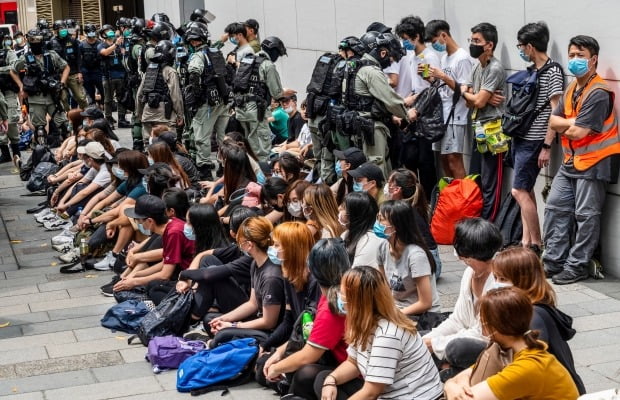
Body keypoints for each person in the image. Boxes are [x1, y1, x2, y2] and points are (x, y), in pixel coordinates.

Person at [545, 35, 620, 285]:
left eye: (581, 56)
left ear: (593, 60)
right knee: (555, 207)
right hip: (571, 162)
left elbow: (578, 132)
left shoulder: (599, 92)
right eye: (572, 55)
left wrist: (566, 124)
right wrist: (569, 122)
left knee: (586, 216)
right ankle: (553, 262)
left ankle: (576, 266)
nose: (575, 60)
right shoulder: (571, 88)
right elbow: (552, 122)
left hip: (595, 162)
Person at [316, 266, 443, 400]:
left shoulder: (388, 334)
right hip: (384, 392)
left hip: (413, 396)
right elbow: (353, 362)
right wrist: (331, 380)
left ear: (357, 302)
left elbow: (371, 392)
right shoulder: (362, 323)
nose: (340, 299)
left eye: (343, 295)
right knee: (322, 380)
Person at [444, 287, 579, 400]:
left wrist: (449, 384)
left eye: (482, 322)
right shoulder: (518, 349)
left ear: (495, 327)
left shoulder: (527, 368)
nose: (481, 328)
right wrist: (454, 383)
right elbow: (469, 372)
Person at [263, 238, 350, 400]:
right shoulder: (338, 293)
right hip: (350, 362)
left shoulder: (333, 305)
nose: (273, 248)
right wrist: (280, 353)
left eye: (276, 244)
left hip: (354, 367)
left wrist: (276, 368)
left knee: (306, 374)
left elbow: (308, 355)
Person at [492, 247, 586, 394]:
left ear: (522, 280)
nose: (497, 284)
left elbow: (529, 366)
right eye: (495, 278)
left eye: (503, 279)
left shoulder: (533, 317)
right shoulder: (530, 309)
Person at [508, 22, 565, 255]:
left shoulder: (553, 71)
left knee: (518, 191)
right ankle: (526, 241)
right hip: (521, 137)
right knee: (526, 190)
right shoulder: (533, 70)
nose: (520, 50)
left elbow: (556, 111)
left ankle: (536, 245)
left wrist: (546, 146)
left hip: (534, 141)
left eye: (521, 46)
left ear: (530, 46)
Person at [423, 217, 503, 381]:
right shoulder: (470, 273)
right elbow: (458, 319)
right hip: (469, 335)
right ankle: (447, 368)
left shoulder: (498, 283)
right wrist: (428, 340)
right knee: (421, 339)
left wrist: (436, 344)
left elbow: (484, 334)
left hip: (494, 346)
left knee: (455, 348)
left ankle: (450, 369)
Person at [209, 217, 286, 346]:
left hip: (270, 333)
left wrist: (233, 325)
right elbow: (252, 303)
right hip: (259, 320)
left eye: (240, 242)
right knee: (211, 320)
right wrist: (224, 318)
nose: (240, 246)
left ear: (249, 245)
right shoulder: (255, 264)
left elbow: (269, 322)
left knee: (221, 336)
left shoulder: (271, 277)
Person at [341, 31, 408, 176]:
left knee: (363, 169)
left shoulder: (352, 66)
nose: (391, 63)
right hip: (372, 128)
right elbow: (391, 100)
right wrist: (407, 115)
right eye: (391, 58)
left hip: (356, 125)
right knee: (375, 169)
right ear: (383, 53)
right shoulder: (372, 71)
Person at [461, 22, 507, 221]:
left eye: (477, 41)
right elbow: (469, 99)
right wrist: (469, 94)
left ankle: (489, 225)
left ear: (489, 45)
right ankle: (477, 222)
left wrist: (477, 97)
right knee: (476, 177)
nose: (472, 44)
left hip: (493, 130)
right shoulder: (477, 66)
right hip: (478, 127)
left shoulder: (495, 68)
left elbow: (477, 100)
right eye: (471, 40)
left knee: (491, 182)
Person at [112, 194, 195, 297]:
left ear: (150, 221)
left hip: (189, 278)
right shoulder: (172, 224)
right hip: (181, 271)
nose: (138, 223)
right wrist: (136, 275)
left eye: (138, 220)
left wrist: (134, 282)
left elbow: (165, 275)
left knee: (154, 287)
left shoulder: (173, 233)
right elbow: (166, 262)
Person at [396, 15, 440, 194]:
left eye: (406, 39)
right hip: (414, 115)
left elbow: (433, 87)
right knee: (410, 159)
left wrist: (416, 106)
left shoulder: (429, 57)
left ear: (417, 37)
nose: (405, 43)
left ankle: (429, 201)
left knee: (426, 163)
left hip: (426, 115)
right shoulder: (413, 57)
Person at [376, 200, 441, 320]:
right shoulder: (382, 247)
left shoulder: (416, 255)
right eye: (378, 218)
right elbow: (384, 287)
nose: (377, 223)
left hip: (422, 315)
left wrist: (394, 315)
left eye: (381, 219)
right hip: (397, 308)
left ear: (397, 225)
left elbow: (425, 303)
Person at [425, 19, 473, 179]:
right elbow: (443, 87)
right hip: (442, 116)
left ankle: (464, 199)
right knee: (444, 159)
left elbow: (464, 90)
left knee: (454, 159)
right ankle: (452, 196)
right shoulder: (445, 57)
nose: (434, 45)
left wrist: (443, 76)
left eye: (434, 41)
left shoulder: (463, 58)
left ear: (443, 35)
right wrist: (429, 78)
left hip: (455, 116)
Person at [231, 36, 289, 161]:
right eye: (277, 54)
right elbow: (277, 93)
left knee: (248, 143)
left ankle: (249, 170)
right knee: (261, 148)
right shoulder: (268, 65)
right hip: (256, 111)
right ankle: (261, 174)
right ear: (273, 51)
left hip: (240, 109)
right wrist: (285, 92)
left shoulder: (247, 60)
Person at [185, 22, 230, 181]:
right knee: (222, 137)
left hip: (207, 103)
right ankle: (225, 167)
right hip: (222, 101)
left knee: (201, 137)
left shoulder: (198, 55)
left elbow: (194, 72)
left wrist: (196, 94)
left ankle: (204, 171)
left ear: (193, 41)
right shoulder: (215, 51)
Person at [11, 28, 70, 148]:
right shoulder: (25, 58)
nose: (35, 42)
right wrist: (21, 86)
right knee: (40, 130)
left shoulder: (51, 55)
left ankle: (70, 151)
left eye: (38, 39)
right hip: (35, 98)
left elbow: (66, 67)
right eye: (32, 39)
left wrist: (62, 83)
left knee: (64, 125)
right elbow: (13, 71)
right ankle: (42, 154)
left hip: (53, 96)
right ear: (28, 40)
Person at [386, 168, 442, 277]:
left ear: (397, 190)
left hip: (428, 265)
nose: (387, 187)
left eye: (389, 184)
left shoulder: (403, 212)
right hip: (428, 260)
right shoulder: (412, 206)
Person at [136, 40, 184, 140]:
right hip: (165, 116)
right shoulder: (170, 71)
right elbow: (175, 96)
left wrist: (140, 114)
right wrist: (180, 115)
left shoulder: (148, 71)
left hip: (147, 113)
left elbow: (139, 95)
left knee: (149, 145)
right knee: (167, 145)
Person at [49, 19, 87, 110]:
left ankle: (87, 116)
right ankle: (68, 117)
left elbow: (78, 57)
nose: (62, 30)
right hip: (60, 75)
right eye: (60, 28)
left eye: (63, 28)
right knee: (63, 98)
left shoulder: (72, 40)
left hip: (73, 73)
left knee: (80, 97)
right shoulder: (52, 43)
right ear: (55, 31)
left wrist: (79, 72)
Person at [340, 192, 384, 268]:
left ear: (355, 215)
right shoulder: (345, 234)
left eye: (343, 207)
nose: (339, 209)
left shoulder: (370, 240)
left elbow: (358, 275)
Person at [98, 24, 127, 127]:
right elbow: (105, 53)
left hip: (120, 75)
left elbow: (124, 54)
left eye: (110, 30)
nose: (109, 32)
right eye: (106, 31)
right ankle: (109, 120)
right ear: (103, 34)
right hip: (108, 76)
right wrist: (116, 45)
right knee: (108, 100)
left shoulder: (119, 43)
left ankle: (122, 119)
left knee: (122, 98)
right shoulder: (101, 45)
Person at [0, 34, 21, 164]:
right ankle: (5, 154)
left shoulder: (9, 53)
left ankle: (16, 153)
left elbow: (14, 67)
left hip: (8, 91)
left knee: (12, 120)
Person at [79, 24, 103, 106]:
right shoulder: (81, 45)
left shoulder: (100, 43)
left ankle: (102, 106)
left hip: (98, 71)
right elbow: (79, 59)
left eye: (93, 31)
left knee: (102, 90)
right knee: (90, 92)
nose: (92, 34)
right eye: (89, 32)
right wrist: (80, 73)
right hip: (86, 71)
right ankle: (92, 109)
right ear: (86, 33)